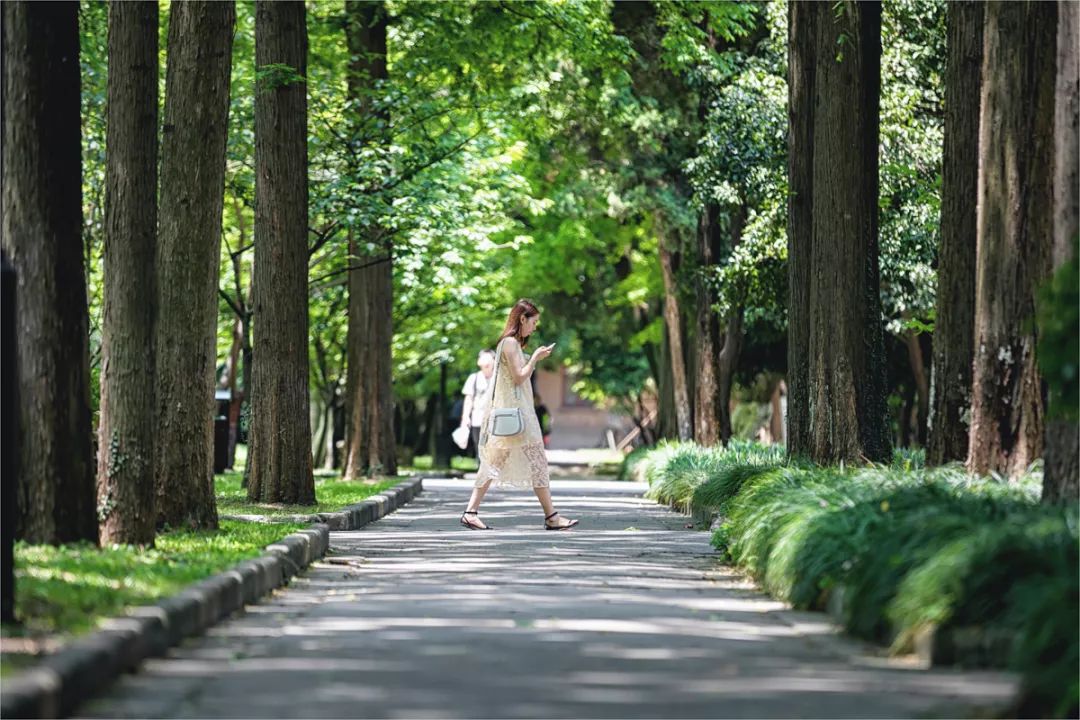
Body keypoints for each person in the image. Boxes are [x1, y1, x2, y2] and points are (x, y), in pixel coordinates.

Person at [461, 299, 578, 531]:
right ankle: (551, 517)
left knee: (504, 462)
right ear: (522, 319)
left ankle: (471, 512)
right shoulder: (510, 344)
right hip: (516, 415)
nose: (535, 327)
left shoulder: (511, 344)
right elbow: (518, 377)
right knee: (534, 462)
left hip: (516, 414)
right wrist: (534, 358)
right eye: (533, 322)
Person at [458, 349, 495, 458]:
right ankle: (482, 472)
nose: (486, 364)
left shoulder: (499, 378)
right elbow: (468, 399)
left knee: (494, 449)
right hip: (477, 420)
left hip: (495, 419)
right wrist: (465, 417)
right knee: (480, 448)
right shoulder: (473, 378)